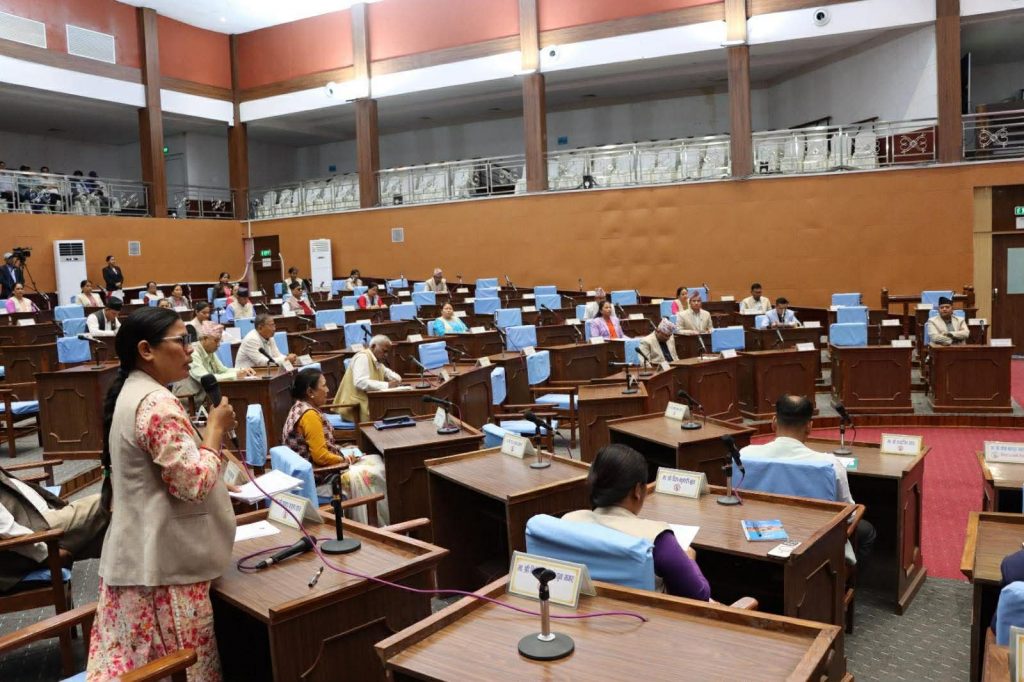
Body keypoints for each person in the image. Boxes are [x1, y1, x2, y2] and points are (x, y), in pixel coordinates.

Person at [86, 307, 238, 679]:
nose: (190, 349)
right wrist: (215, 431)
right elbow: (192, 485)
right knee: (185, 671)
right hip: (164, 577)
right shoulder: (157, 404)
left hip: (141, 562)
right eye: (181, 340)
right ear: (146, 350)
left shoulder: (135, 391)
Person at [739, 394, 875, 564]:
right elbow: (848, 516)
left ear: (773, 422)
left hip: (756, 536)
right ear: (810, 426)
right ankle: (844, 578)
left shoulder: (744, 455)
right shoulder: (830, 464)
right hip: (813, 544)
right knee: (867, 531)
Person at [563, 444, 711, 600]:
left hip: (584, 610)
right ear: (637, 491)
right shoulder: (657, 539)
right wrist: (689, 559)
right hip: (643, 614)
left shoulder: (568, 522)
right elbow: (699, 594)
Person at [283, 369, 388, 525]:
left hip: (315, 471)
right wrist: (345, 460)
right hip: (320, 478)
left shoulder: (297, 407)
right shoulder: (309, 415)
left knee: (374, 458)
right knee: (378, 470)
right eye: (323, 386)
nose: (327, 390)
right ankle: (377, 524)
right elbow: (320, 457)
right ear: (310, 392)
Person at [0, 464, 108, 594]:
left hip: (39, 518)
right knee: (106, 502)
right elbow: (7, 530)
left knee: (108, 527)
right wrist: (47, 555)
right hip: (34, 532)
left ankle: (120, 591)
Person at [173, 322, 254, 404]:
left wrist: (243, 370)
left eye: (219, 341)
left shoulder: (209, 351)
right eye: (216, 341)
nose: (218, 345)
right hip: (190, 399)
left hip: (205, 397)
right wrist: (236, 375)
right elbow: (205, 379)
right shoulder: (193, 352)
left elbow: (222, 370)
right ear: (205, 338)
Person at [333, 334, 403, 423]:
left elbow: (393, 376)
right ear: (373, 346)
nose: (386, 355)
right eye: (384, 351)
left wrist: (396, 380)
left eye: (387, 352)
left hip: (368, 404)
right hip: (355, 409)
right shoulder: (363, 357)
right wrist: (387, 385)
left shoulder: (377, 361)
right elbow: (360, 382)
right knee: (391, 416)